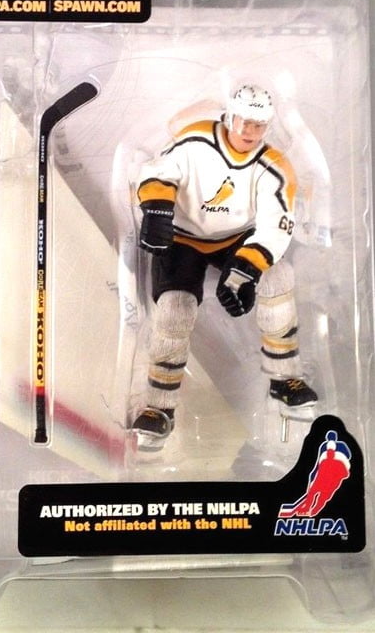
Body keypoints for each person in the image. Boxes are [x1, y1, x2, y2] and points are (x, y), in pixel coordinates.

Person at [132, 84, 318, 449]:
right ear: (229, 117)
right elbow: (158, 171)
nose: (248, 131)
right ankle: (158, 406)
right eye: (243, 122)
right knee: (175, 309)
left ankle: (284, 379)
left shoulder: (274, 166)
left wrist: (246, 271)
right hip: (182, 237)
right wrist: (156, 208)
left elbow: (276, 225)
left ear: (267, 127)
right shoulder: (195, 140)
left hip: (235, 237)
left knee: (278, 278)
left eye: (258, 125)